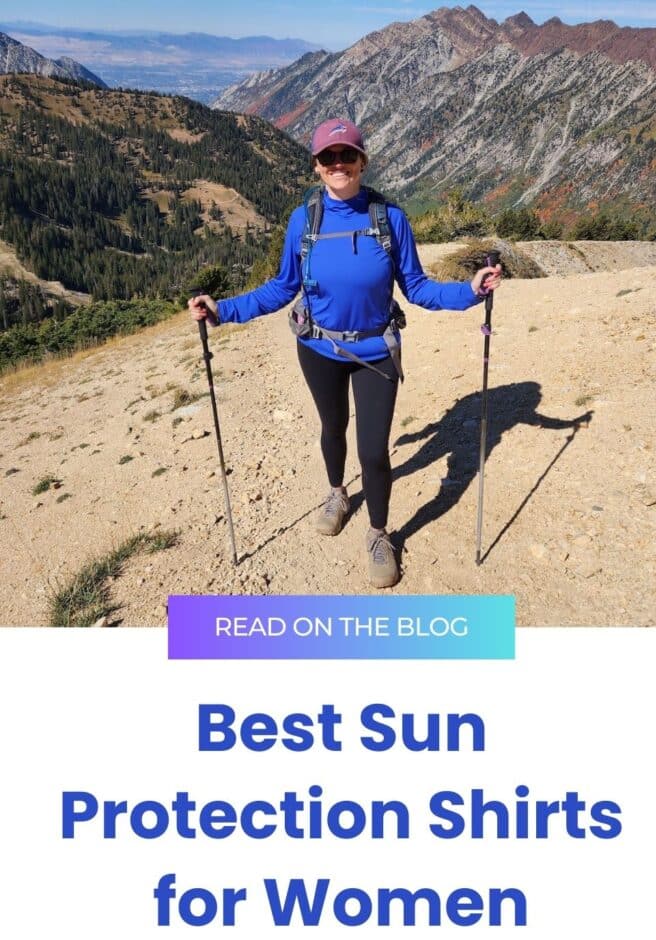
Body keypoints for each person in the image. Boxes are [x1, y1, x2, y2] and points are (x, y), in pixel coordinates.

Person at [189, 117, 502, 588]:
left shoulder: (390, 219)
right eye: (328, 157)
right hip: (316, 347)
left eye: (347, 155)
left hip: (376, 351)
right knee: (332, 427)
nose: (339, 164)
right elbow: (282, 288)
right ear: (317, 167)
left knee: (373, 450)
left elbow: (416, 288)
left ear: (362, 161)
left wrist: (470, 291)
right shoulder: (304, 220)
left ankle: (379, 534)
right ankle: (337, 493)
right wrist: (222, 311)